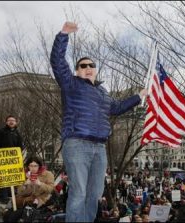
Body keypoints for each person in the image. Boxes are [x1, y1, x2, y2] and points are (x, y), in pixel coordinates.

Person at [50, 21, 147, 222]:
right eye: (82, 65)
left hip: (100, 148)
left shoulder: (103, 93)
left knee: (94, 194)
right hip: (77, 143)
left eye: (91, 65)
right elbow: (58, 62)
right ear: (77, 71)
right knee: (79, 192)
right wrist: (63, 35)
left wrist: (138, 96)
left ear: (95, 70)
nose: (87, 68)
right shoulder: (71, 84)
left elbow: (117, 108)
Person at [3, 156, 55, 222]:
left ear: (39, 166)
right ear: (28, 166)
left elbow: (51, 189)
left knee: (14, 216)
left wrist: (40, 184)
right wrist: (25, 184)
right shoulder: (24, 175)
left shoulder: (48, 174)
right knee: (7, 215)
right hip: (23, 201)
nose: (33, 168)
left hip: (40, 201)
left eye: (35, 166)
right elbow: (19, 192)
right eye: (31, 166)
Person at [0, 115, 24, 204]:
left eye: (13, 120)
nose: (11, 122)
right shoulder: (0, 132)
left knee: (12, 178)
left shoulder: (17, 133)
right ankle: (3, 196)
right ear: (6, 122)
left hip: (13, 160)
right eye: (9, 120)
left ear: (16, 122)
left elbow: (20, 146)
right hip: (2, 160)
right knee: (3, 179)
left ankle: (10, 194)